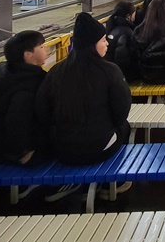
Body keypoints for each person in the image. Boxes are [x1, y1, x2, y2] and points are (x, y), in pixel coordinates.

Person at [36, 14, 132, 199]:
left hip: (61, 149)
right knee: (125, 128)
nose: (107, 44)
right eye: (103, 40)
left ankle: (73, 183)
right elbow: (122, 111)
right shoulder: (110, 71)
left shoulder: (56, 71)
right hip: (98, 147)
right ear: (92, 44)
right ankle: (111, 183)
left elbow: (42, 111)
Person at [0, 30, 48, 164]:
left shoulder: (4, 73)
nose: (45, 49)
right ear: (28, 55)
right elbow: (17, 121)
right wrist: (22, 152)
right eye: (41, 47)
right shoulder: (27, 84)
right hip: (10, 151)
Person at [105, 1, 140, 82]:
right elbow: (123, 60)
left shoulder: (110, 28)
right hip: (122, 77)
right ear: (128, 16)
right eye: (134, 13)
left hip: (111, 74)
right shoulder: (126, 32)